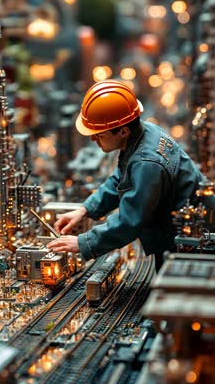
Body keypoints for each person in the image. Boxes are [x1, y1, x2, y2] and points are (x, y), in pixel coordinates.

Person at [47, 79, 208, 270]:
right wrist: (85, 210)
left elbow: (130, 222)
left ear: (123, 131)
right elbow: (122, 179)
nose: (93, 138)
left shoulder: (146, 163)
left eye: (99, 134)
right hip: (181, 231)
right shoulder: (146, 132)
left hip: (189, 242)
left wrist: (83, 243)